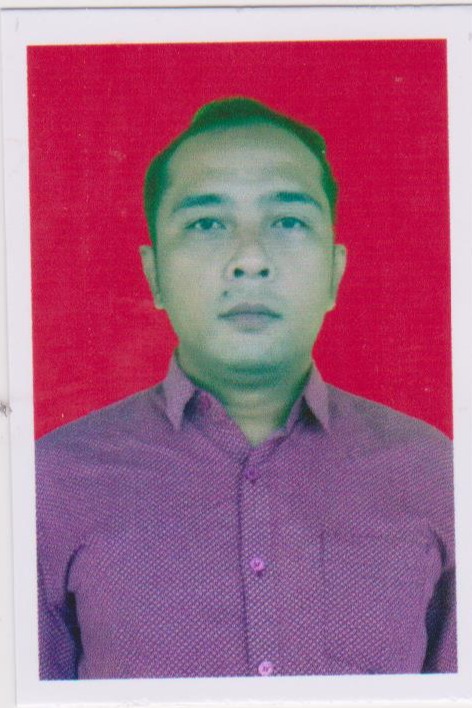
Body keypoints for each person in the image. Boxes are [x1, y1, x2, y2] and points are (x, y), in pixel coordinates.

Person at [36, 97, 455, 680]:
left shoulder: (435, 474)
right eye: (207, 223)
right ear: (154, 274)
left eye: (288, 222)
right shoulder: (49, 483)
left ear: (334, 273)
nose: (251, 259)